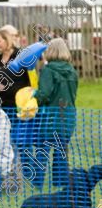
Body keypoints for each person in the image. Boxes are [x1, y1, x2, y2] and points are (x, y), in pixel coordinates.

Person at [32, 37, 78, 189]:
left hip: (50, 116)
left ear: (50, 51)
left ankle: (37, 183)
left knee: (42, 149)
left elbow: (44, 94)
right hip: (68, 115)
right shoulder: (72, 71)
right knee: (61, 150)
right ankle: (61, 183)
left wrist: (34, 96)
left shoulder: (48, 70)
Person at [0, 29, 31, 111]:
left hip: (19, 103)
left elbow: (29, 78)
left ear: (7, 40)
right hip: (2, 103)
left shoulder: (20, 55)